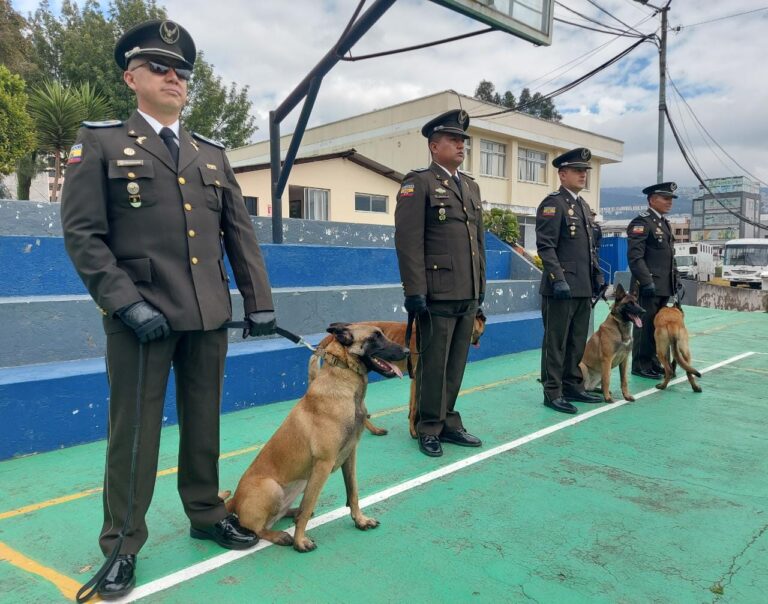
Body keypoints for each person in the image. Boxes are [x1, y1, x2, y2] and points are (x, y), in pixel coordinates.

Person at [60, 19, 276, 599]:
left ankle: (206, 513)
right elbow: (83, 236)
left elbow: (240, 234)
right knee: (133, 436)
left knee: (204, 423)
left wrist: (258, 303)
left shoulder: (211, 153)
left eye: (182, 70)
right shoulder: (100, 142)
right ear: (131, 77)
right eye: (160, 67)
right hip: (141, 320)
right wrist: (125, 304)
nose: (175, 77)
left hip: (207, 315)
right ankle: (122, 545)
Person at [394, 109, 485, 457]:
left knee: (457, 362)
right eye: (453, 140)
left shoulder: (471, 186)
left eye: (463, 141)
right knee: (433, 366)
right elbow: (408, 241)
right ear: (434, 146)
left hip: (468, 291)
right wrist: (414, 290)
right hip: (437, 291)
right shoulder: (418, 183)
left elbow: (477, 243)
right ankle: (427, 425)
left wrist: (481, 289)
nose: (461, 146)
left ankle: (448, 420)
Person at [536, 148, 604, 414]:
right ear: (562, 174)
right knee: (556, 341)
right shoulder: (553, 204)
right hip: (560, 288)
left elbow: (589, 248)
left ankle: (573, 385)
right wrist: (557, 279)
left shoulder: (582, 206)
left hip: (582, 286)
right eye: (577, 171)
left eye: (585, 171)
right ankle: (552, 391)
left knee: (577, 340)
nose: (583, 175)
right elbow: (546, 246)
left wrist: (596, 275)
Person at [627, 182, 678, 379]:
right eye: (665, 198)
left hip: (663, 285)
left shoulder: (664, 223)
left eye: (671, 199)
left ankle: (655, 362)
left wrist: (676, 280)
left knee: (659, 327)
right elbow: (635, 257)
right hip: (647, 286)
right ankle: (640, 364)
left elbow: (668, 257)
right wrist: (646, 281)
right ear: (652, 199)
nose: (669, 202)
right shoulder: (642, 222)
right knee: (645, 325)